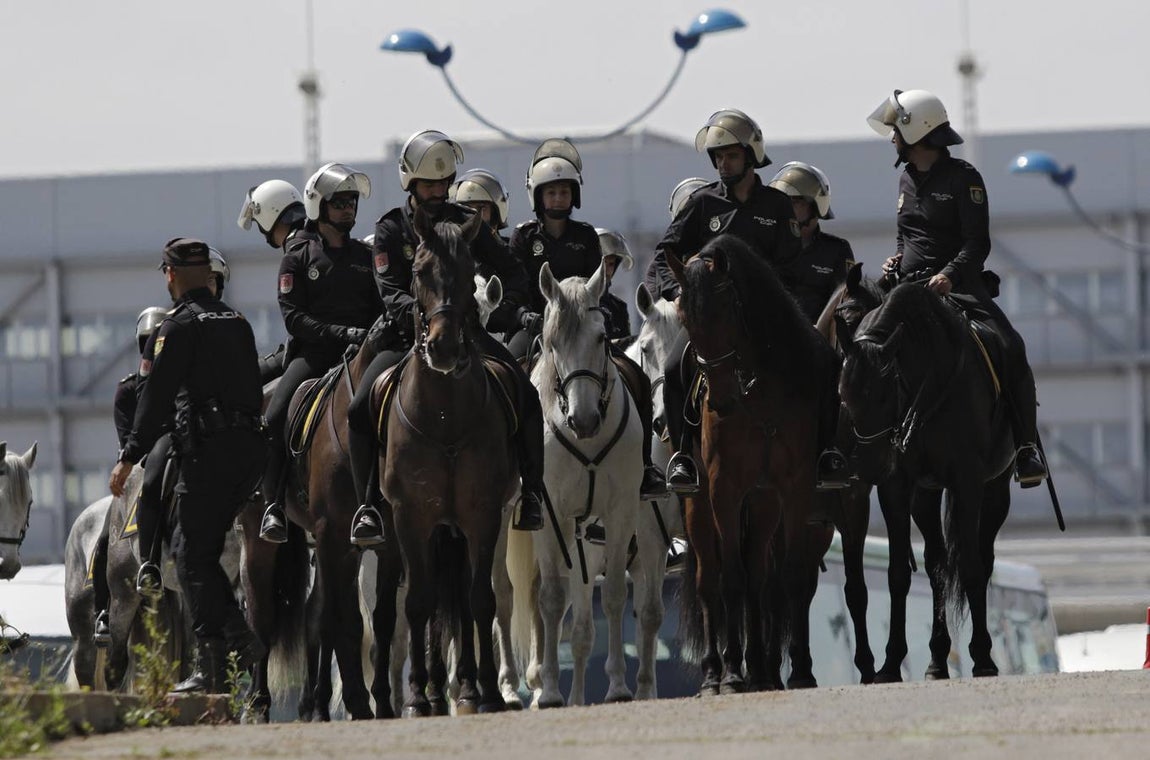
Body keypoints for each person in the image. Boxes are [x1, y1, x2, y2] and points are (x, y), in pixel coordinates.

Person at [345, 129, 546, 546]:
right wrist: (421, 319)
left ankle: (531, 493)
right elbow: (389, 290)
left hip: (467, 336)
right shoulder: (391, 228)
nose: (438, 191)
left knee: (526, 394)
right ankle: (367, 506)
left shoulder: (466, 222)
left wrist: (491, 311)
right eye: (429, 184)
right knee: (360, 406)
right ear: (411, 184)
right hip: (405, 340)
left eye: (443, 182)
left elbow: (513, 272)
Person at [645, 109, 849, 494]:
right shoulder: (703, 204)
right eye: (718, 157)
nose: (724, 163)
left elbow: (792, 265)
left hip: (766, 322)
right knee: (673, 368)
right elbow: (662, 255)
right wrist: (676, 293)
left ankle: (826, 454)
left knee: (824, 360)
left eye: (731, 155)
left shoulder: (776, 205)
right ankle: (682, 460)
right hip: (713, 322)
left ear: (751, 155)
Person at [108, 238, 267, 693]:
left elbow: (155, 398)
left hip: (208, 454)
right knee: (198, 551)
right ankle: (230, 640)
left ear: (171, 275)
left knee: (187, 553)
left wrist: (128, 456)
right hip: (249, 453)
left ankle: (215, 659)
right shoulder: (236, 320)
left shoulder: (174, 328)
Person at [866, 88, 1048, 487]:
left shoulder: (965, 178)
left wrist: (948, 275)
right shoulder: (904, 179)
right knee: (861, 340)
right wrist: (896, 261)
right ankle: (856, 446)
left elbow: (977, 243)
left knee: (1009, 344)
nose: (892, 138)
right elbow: (905, 238)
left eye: (896, 131)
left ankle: (1026, 448)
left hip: (959, 288)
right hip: (907, 290)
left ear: (918, 132)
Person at [508, 140, 667, 500]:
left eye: (565, 191)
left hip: (580, 331)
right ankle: (515, 469)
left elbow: (596, 289)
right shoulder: (523, 237)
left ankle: (644, 470)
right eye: (551, 192)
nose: (559, 198)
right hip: (535, 329)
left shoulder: (585, 236)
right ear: (538, 197)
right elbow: (516, 289)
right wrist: (527, 317)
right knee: (510, 378)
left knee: (637, 377)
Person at [257, 162, 380, 544]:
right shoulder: (297, 257)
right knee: (274, 417)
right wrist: (339, 332)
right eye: (339, 202)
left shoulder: (366, 257)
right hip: (313, 356)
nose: (348, 209)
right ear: (318, 206)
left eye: (352, 202)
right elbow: (294, 318)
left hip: (363, 355)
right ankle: (274, 504)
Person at [92, 305, 168, 646]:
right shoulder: (127, 390)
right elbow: (127, 439)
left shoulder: (178, 382)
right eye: (146, 341)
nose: (150, 346)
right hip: (139, 467)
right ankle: (104, 612)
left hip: (176, 457)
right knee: (105, 541)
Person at [767, 161, 855, 323]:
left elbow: (849, 305)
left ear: (815, 205)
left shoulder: (836, 250)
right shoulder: (766, 246)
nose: (785, 208)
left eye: (794, 201)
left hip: (819, 342)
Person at [238, 180, 308, 381]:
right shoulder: (318, 241)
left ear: (267, 217)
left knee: (270, 409)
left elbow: (296, 321)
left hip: (311, 353)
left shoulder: (294, 254)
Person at [595, 228, 635, 341]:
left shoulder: (619, 307)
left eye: (611, 264)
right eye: (602, 263)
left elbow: (626, 350)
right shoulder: (578, 304)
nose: (606, 270)